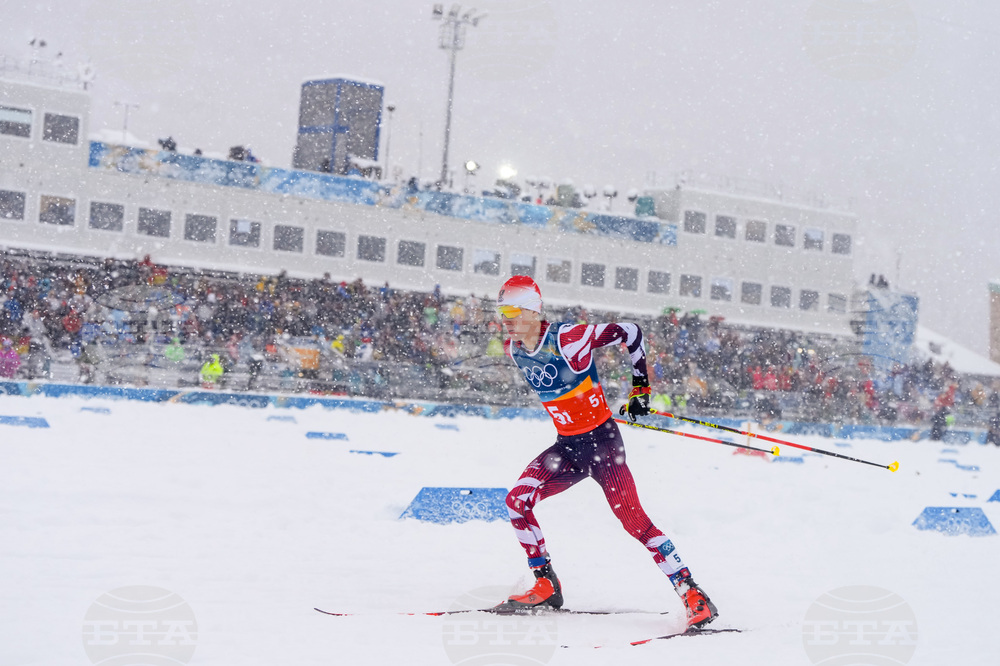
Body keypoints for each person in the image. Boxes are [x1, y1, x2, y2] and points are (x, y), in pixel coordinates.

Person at [491, 276, 717, 629]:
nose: (504, 320)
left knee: (634, 521)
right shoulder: (515, 349)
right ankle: (546, 582)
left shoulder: (568, 339)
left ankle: (692, 593)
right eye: (500, 312)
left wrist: (640, 388)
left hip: (603, 446)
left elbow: (631, 331)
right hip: (567, 448)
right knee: (517, 501)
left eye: (511, 311)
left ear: (533, 311)